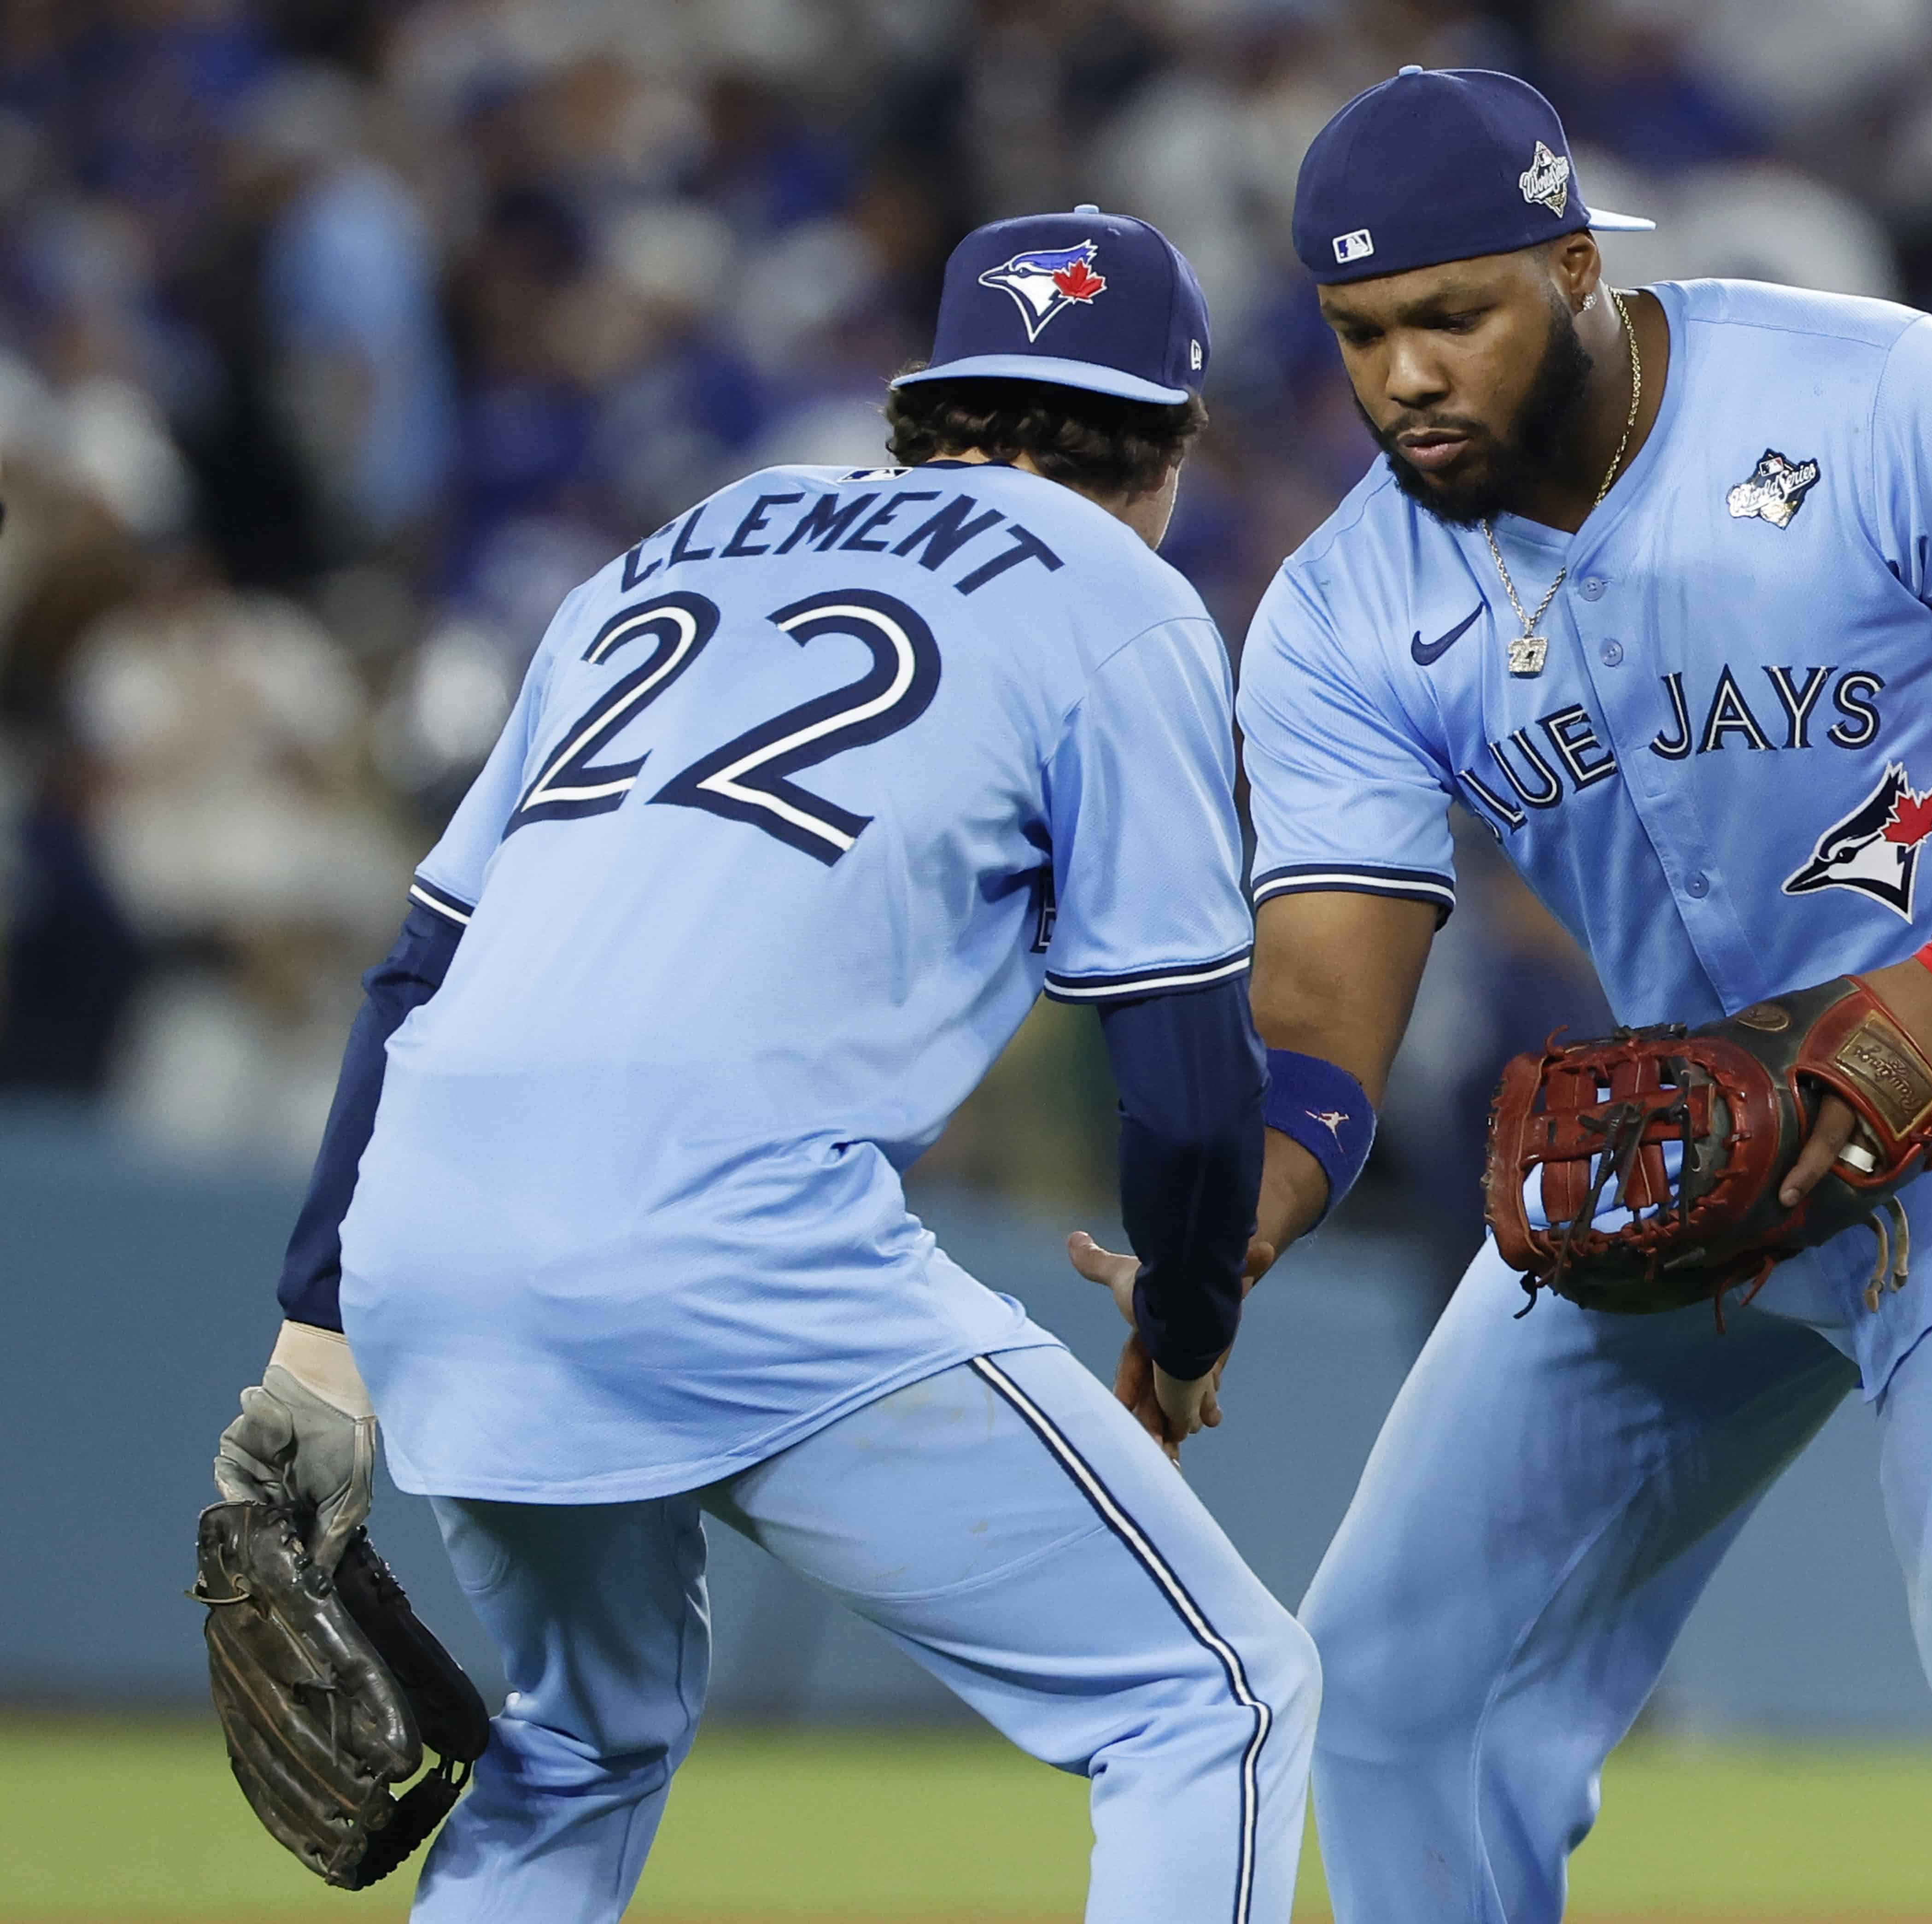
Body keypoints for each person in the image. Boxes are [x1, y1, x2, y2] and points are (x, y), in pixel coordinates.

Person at [1106, 64, 1932, 1923]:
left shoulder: (1884, 397)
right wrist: (1232, 1217)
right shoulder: (1341, 615)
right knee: (1396, 1674)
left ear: (1573, 270)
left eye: (1448, 317)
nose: (1403, 375)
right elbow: (1329, 1011)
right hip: (1700, 1136)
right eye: (1357, 334)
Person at [207, 209, 1320, 1924]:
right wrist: (1182, 1332)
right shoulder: (1123, 597)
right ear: (1168, 447)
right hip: (724, 1246)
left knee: (579, 1736)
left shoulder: (670, 548)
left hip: (430, 1237)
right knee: (1215, 1698)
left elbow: (417, 964)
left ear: (927, 409)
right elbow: (1182, 1076)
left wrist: (314, 1325)